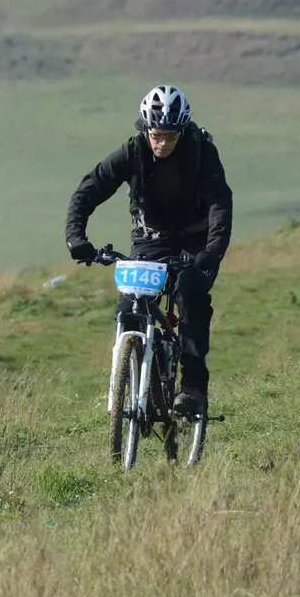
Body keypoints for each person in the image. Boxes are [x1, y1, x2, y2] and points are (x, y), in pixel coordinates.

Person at [65, 85, 233, 414]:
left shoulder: (202, 153)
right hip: (150, 241)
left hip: (195, 244)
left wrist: (211, 253)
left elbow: (220, 207)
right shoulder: (133, 150)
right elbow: (89, 190)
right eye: (156, 136)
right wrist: (76, 238)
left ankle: (193, 386)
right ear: (146, 130)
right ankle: (140, 372)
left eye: (170, 137)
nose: (162, 144)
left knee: (189, 295)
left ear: (182, 131)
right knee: (130, 307)